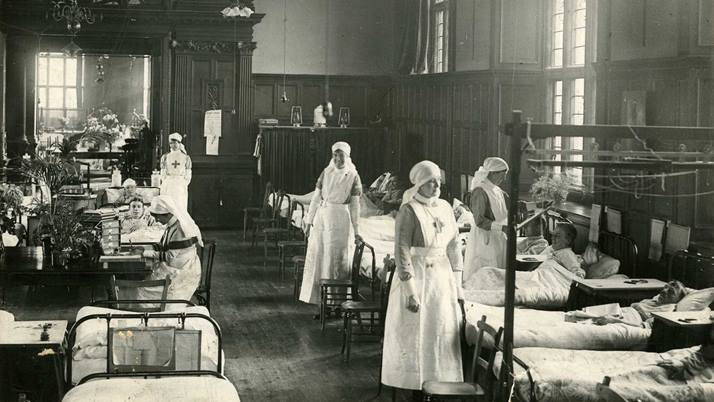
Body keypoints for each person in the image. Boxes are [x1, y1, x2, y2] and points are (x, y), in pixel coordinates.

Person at [381, 160, 464, 396]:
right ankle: (413, 384)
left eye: (438, 181)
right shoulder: (409, 210)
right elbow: (402, 249)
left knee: (439, 328)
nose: (436, 185)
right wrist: (410, 291)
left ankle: (437, 380)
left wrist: (458, 286)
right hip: (416, 278)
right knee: (415, 329)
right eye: (430, 182)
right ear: (419, 185)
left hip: (441, 279)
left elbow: (454, 246)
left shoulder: (446, 208)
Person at [299, 142, 363, 309]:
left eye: (341, 155)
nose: (338, 158)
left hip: (341, 220)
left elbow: (355, 206)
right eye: (335, 155)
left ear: (347, 157)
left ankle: (336, 303)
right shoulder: (326, 172)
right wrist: (308, 221)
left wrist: (357, 230)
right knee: (320, 257)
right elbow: (316, 198)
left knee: (336, 260)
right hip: (323, 219)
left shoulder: (353, 176)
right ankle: (321, 302)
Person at [140, 195, 202, 300]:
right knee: (145, 280)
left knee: (142, 290)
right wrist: (145, 248)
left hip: (183, 271)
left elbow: (169, 256)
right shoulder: (172, 225)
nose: (157, 220)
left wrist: (145, 253)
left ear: (167, 214)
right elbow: (164, 245)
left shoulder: (180, 229)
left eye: (157, 217)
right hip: (176, 266)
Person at [463, 157, 509, 282]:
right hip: (484, 237)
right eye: (502, 174)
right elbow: (479, 220)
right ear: (493, 173)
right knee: (485, 273)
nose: (504, 179)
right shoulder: (480, 191)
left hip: (498, 236)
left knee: (498, 271)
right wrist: (502, 228)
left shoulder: (497, 190)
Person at [589, 280, 688, 328]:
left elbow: (643, 327)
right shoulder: (655, 301)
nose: (663, 291)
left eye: (670, 292)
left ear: (678, 300)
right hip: (621, 312)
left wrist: (613, 321)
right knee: (578, 315)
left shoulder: (668, 310)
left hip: (627, 320)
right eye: (665, 287)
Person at [160, 132, 192, 211]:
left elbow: (188, 172)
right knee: (168, 205)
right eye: (171, 143)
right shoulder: (165, 157)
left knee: (179, 205)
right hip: (168, 184)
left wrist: (184, 183)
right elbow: (163, 171)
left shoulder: (186, 157)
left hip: (180, 184)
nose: (173, 145)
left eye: (175, 143)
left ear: (179, 143)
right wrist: (166, 181)